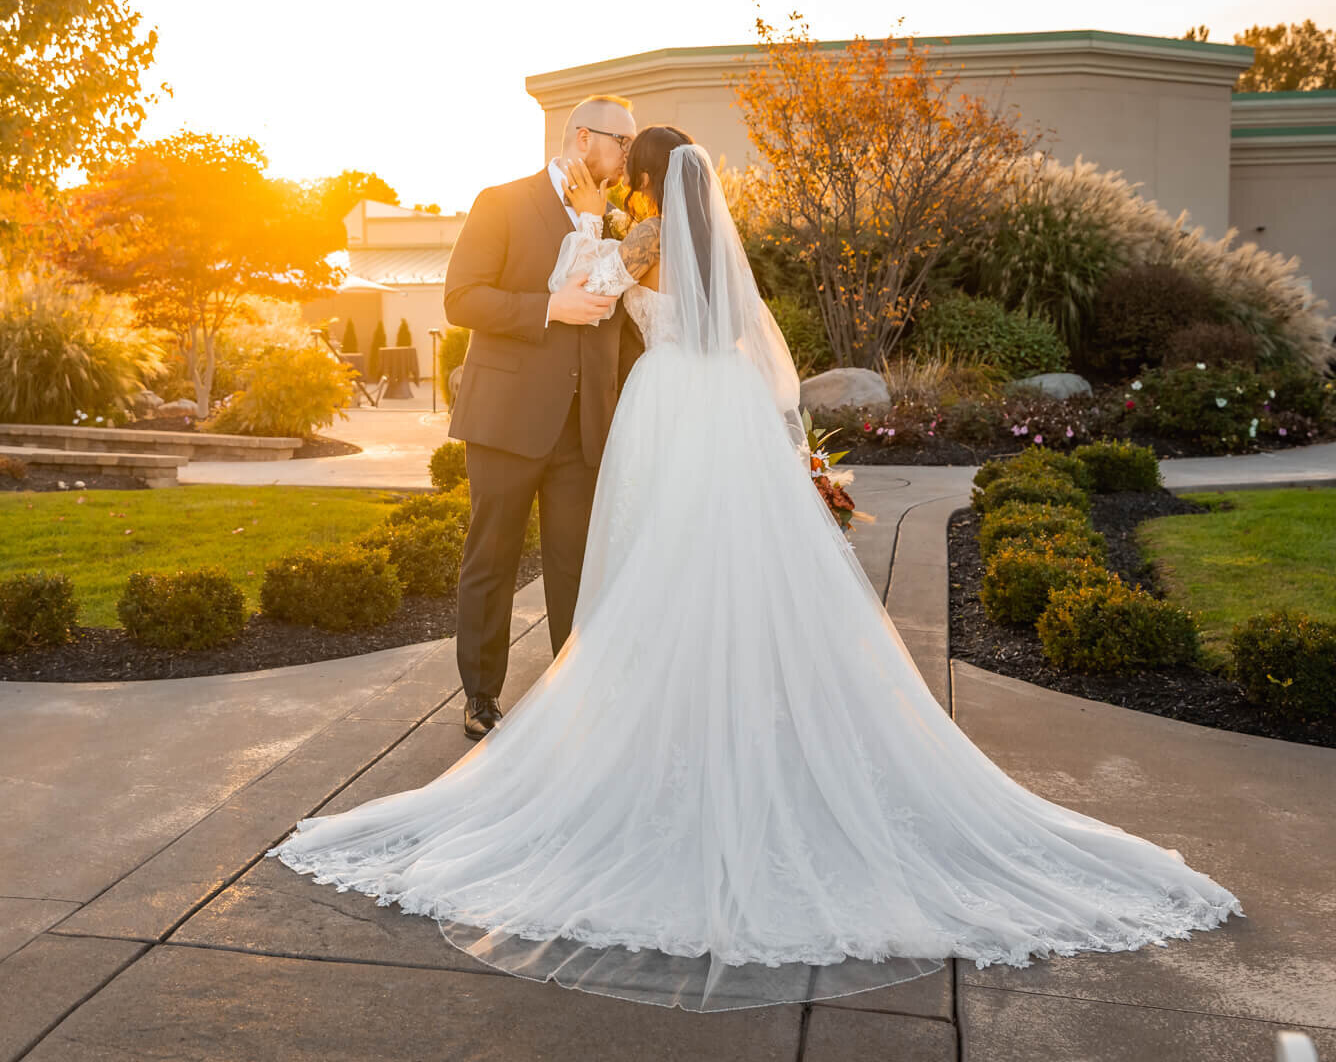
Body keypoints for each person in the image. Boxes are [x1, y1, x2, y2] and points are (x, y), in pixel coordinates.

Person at [267, 129, 1241, 1013]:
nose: (629, 189)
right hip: (723, 410)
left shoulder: (639, 245)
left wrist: (597, 265)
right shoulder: (717, 264)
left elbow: (609, 305)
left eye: (633, 178)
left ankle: (652, 744)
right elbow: (763, 362)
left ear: (649, 183)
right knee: (722, 573)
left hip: (664, 412)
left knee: (655, 575)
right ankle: (732, 728)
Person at [441, 94, 650, 742]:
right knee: (491, 561)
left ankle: (575, 696)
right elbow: (461, 297)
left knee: (573, 569)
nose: (628, 156)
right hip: (506, 421)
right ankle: (480, 697)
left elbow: (617, 328)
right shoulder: (500, 203)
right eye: (623, 142)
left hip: (581, 430)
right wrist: (546, 307)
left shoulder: (616, 224)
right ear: (585, 139)